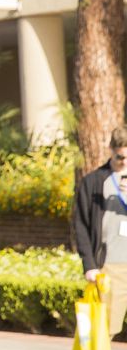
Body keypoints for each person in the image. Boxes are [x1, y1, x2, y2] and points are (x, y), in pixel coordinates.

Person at [73, 125, 127, 336]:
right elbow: (80, 224)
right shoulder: (93, 182)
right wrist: (89, 265)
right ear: (110, 150)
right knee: (103, 330)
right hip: (112, 266)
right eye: (121, 157)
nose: (125, 162)